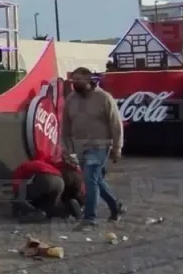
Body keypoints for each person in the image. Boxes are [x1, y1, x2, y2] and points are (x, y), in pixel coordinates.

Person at [62, 66, 126, 226]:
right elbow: (66, 125)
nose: (75, 83)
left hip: (100, 145)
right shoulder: (71, 99)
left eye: (79, 80)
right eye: (73, 80)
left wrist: (117, 147)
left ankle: (89, 218)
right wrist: (66, 147)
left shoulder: (104, 98)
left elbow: (116, 124)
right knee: (95, 179)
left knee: (90, 177)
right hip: (79, 146)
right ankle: (116, 206)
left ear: (89, 80)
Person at [11, 155, 84, 221]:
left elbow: (17, 188)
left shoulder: (19, 170)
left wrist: (16, 199)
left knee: (20, 196)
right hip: (60, 182)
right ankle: (69, 207)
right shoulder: (42, 164)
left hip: (47, 179)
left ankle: (35, 212)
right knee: (49, 209)